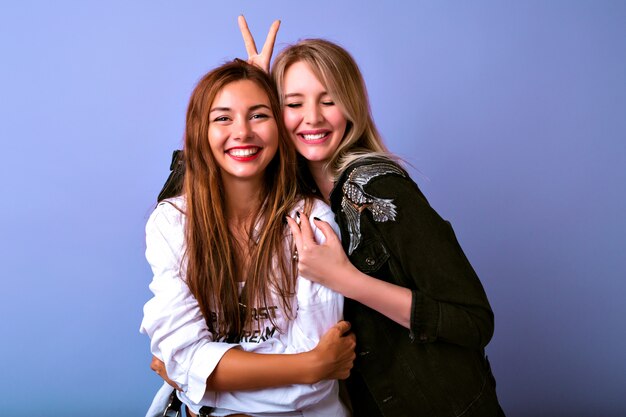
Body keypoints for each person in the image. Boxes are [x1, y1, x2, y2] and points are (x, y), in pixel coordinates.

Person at [155, 18, 505, 416]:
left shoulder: (377, 189)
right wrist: (247, 91)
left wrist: (347, 280)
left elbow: (473, 321)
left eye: (329, 100)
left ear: (352, 107)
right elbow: (201, 182)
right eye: (293, 103)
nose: (313, 118)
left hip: (439, 404)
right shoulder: (291, 189)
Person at [140, 59, 356, 417]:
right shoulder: (172, 222)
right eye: (223, 118)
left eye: (258, 115)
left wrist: (199, 380)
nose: (242, 132)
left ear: (280, 127)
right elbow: (317, 368)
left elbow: (313, 390)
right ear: (200, 131)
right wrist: (310, 365)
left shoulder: (311, 220)